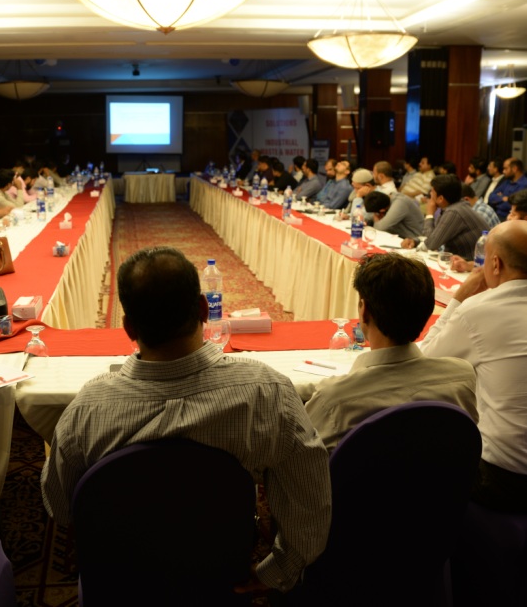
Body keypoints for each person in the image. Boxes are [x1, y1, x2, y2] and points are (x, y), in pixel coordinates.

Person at [41, 247, 331, 594]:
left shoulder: (86, 410)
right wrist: (276, 571)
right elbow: (310, 501)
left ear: (128, 328)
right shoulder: (268, 394)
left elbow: (60, 507)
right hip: (222, 576)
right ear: (204, 309)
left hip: (124, 581)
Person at [419, 220, 527, 512]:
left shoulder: (478, 310)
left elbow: (425, 362)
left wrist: (458, 299)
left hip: (509, 481)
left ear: (495, 263)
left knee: (425, 445)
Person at [305, 253, 477, 451]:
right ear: (428, 310)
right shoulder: (462, 378)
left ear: (364, 310)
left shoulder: (333, 400)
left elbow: (298, 456)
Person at [400, 174, 487, 258]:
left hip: (472, 264)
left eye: (432, 191)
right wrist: (415, 241)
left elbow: (430, 245)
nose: (430, 194)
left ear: (440, 199)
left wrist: (429, 214)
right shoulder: (455, 207)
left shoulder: (454, 212)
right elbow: (433, 236)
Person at [487, 157, 527, 221]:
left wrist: (500, 199)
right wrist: (503, 198)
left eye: (505, 168)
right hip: (496, 214)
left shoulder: (525, 184)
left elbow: (512, 206)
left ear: (514, 169)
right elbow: (491, 196)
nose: (503, 171)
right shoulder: (507, 181)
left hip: (509, 218)